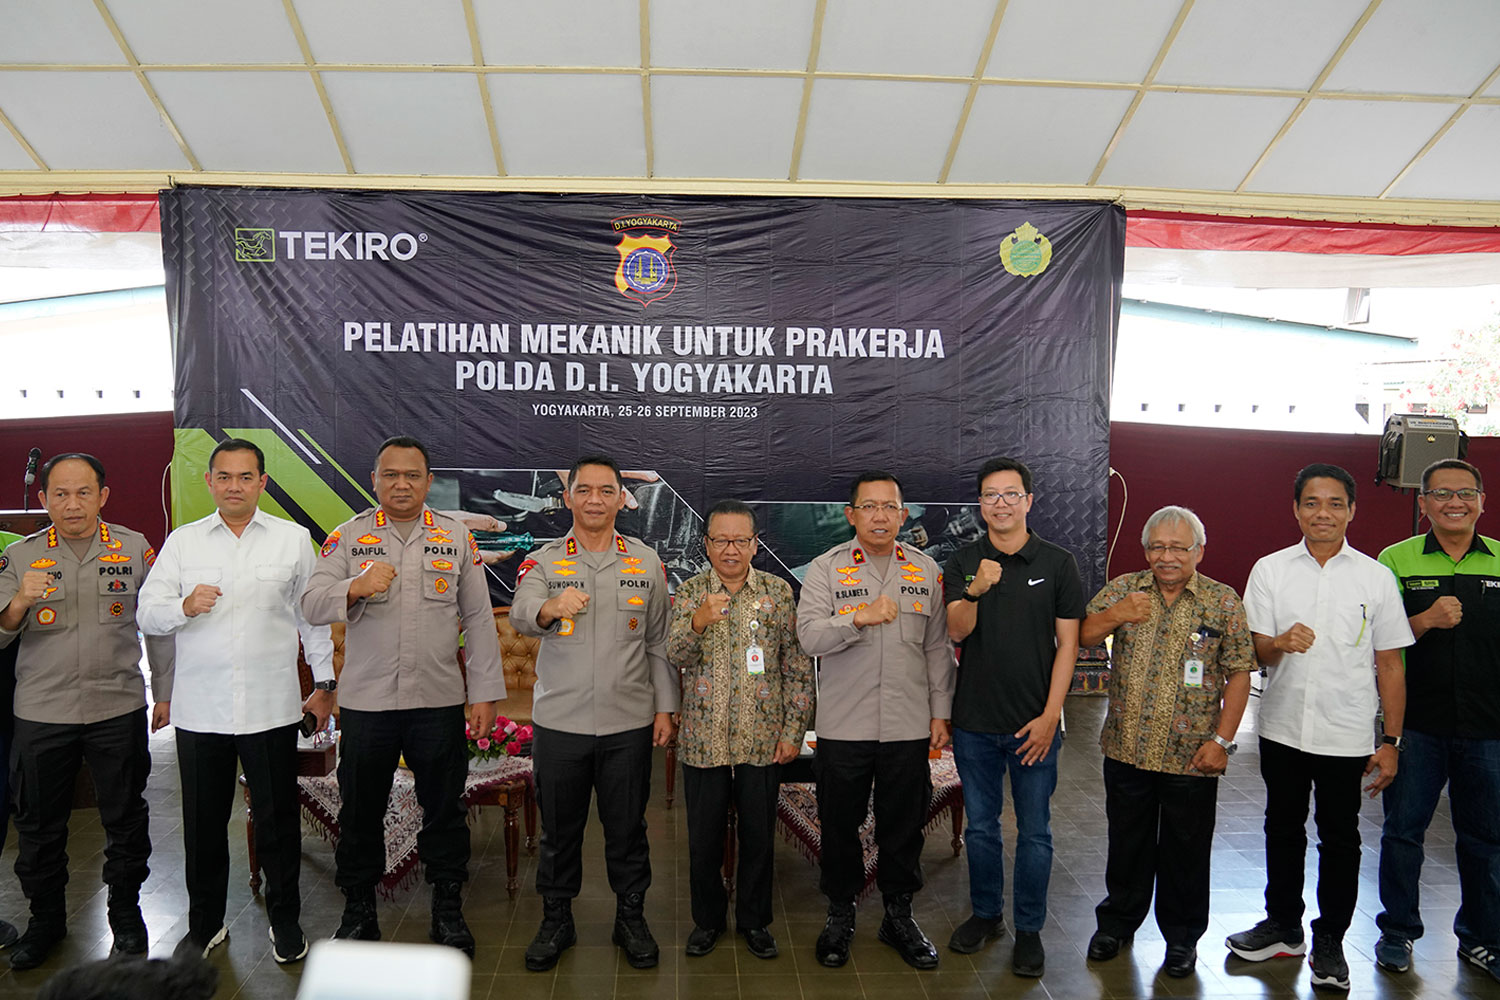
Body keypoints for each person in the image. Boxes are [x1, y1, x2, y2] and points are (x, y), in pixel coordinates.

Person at [301, 436, 505, 957]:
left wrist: (484, 693)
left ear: (428, 482)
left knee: (445, 809)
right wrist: (355, 585)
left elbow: (479, 618)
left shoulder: (455, 537)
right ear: (374, 480)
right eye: (390, 474)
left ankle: (447, 907)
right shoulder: (348, 536)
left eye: (412, 475)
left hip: (436, 700)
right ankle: (358, 909)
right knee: (360, 810)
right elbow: (311, 603)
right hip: (368, 704)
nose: (401, 484)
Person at [136, 438, 337, 963]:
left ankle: (285, 922)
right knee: (203, 826)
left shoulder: (293, 540)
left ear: (262, 482)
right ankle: (205, 925)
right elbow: (147, 613)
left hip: (272, 708)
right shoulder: (183, 543)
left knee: (278, 823)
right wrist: (183, 605)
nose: (234, 486)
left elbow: (312, 618)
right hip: (202, 711)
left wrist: (324, 685)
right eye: (223, 476)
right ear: (209, 482)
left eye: (245, 476)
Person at [1229, 463, 1412, 991]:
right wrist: (1279, 642)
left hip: (1346, 732)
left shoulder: (1375, 578)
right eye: (1312, 503)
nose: (1323, 513)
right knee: (1282, 828)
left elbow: (1390, 665)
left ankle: (1330, 939)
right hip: (1283, 728)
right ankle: (1284, 927)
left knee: (1340, 838)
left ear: (1352, 510)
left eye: (1335, 503)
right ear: (1296, 510)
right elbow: (1254, 650)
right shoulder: (1270, 570)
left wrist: (1391, 741)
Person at [0, 453, 174, 969]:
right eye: (60, 494)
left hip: (116, 705)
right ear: (44, 499)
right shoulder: (20, 556)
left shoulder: (134, 547)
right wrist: (19, 602)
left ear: (103, 496)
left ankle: (126, 914)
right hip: (42, 710)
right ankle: (45, 922)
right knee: (38, 826)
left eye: (83, 493)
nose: (72, 504)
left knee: (126, 818)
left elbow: (157, 625)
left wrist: (165, 692)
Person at [510, 454, 678, 971]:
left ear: (622, 499)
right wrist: (549, 608)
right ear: (568, 498)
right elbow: (521, 613)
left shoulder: (645, 562)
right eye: (584, 490)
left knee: (628, 829)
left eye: (607, 491)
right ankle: (556, 920)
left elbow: (658, 642)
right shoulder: (543, 561)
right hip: (561, 723)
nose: (595, 500)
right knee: (560, 832)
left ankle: (631, 918)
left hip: (628, 722)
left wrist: (666, 708)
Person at [1079, 505, 1254, 978]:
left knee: (1186, 851)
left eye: (1178, 547)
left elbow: (1240, 673)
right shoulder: (1125, 589)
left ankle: (1182, 939)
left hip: (1192, 756)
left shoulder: (1222, 601)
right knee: (1126, 844)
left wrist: (1222, 741)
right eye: (1157, 547)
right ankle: (1117, 924)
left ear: (1199, 550)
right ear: (1145, 551)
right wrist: (1117, 614)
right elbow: (1083, 635)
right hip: (1127, 749)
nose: (1167, 556)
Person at [796, 471, 956, 970]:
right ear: (851, 515)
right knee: (839, 824)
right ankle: (840, 913)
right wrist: (857, 619)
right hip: (845, 724)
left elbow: (937, 649)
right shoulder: (825, 568)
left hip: (908, 724)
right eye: (869, 506)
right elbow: (809, 637)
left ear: (903, 515)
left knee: (902, 825)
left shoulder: (925, 570)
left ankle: (898, 915)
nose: (880, 516)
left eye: (890, 507)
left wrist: (940, 712)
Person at [941, 457, 1084, 977]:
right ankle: (986, 915)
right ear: (980, 505)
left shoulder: (1058, 562)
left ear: (1028, 501)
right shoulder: (963, 560)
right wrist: (975, 588)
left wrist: (1051, 716)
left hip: (1034, 726)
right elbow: (956, 631)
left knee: (1035, 832)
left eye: (1010, 494)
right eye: (990, 495)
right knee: (981, 829)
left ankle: (1029, 929)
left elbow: (1068, 645)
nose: (1000, 504)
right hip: (975, 723)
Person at [667, 499, 814, 960]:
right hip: (703, 740)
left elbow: (796, 668)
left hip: (763, 739)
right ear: (706, 544)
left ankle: (754, 921)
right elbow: (674, 654)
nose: (730, 549)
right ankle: (707, 921)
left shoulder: (777, 592)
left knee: (757, 837)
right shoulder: (690, 591)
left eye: (740, 540)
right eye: (721, 540)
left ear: (755, 544)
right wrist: (698, 621)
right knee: (704, 839)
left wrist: (793, 731)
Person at [1374, 458, 1500, 983]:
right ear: (1423, 502)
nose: (1455, 502)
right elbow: (1378, 640)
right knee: (1403, 833)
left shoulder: (1499, 559)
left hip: (1489, 728)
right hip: (1417, 725)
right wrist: (1425, 619)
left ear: (1482, 502)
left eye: (1465, 493)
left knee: (1487, 839)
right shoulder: (1394, 559)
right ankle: (1397, 931)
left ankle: (1482, 938)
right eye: (1442, 493)